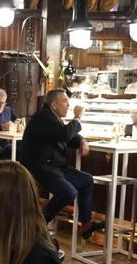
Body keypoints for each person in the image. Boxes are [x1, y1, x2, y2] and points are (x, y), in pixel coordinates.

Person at [20, 89, 103, 239]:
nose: (68, 104)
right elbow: (64, 134)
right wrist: (77, 117)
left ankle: (86, 224)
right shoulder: (43, 117)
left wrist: (82, 140)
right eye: (64, 101)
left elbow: (68, 137)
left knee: (86, 180)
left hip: (55, 167)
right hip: (40, 167)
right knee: (68, 192)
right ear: (53, 104)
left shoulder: (53, 118)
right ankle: (39, 223)